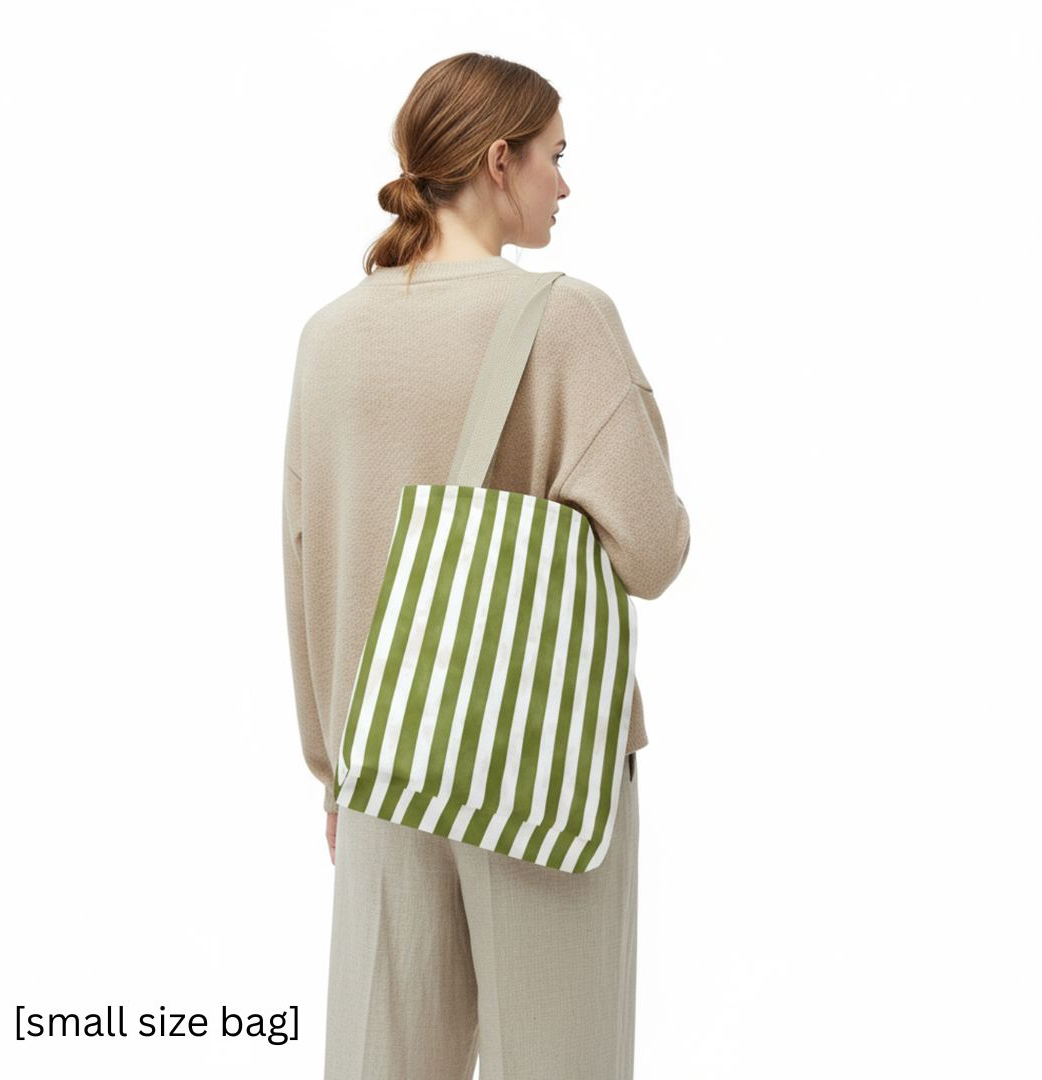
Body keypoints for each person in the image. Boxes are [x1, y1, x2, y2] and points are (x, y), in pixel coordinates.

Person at [282, 51, 691, 1080]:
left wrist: (332, 772)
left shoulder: (328, 337)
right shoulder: (567, 317)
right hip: (543, 762)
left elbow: (305, 562)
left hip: (381, 762)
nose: (566, 183)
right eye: (556, 155)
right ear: (499, 161)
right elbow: (653, 551)